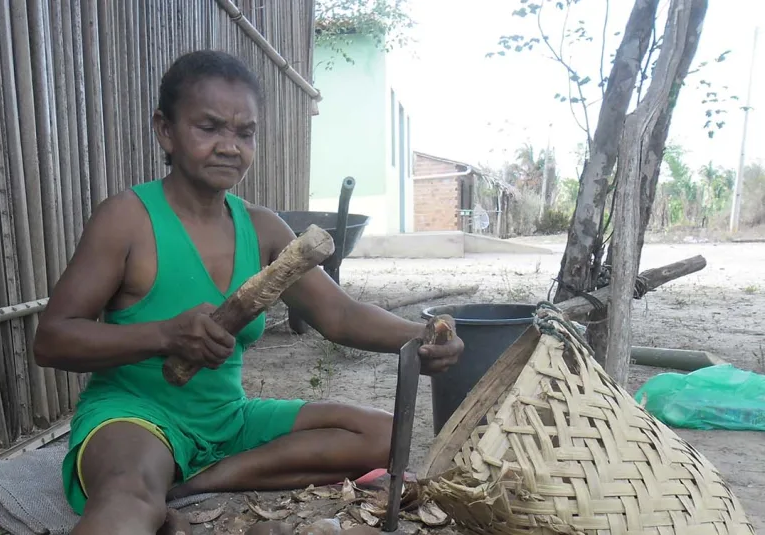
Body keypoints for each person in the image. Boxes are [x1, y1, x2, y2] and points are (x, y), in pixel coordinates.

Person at [33, 49, 465, 535]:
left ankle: (201, 484)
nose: (229, 146)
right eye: (209, 127)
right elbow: (52, 340)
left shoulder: (262, 228)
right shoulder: (126, 219)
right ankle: (153, 494)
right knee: (128, 497)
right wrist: (164, 336)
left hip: (229, 421)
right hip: (135, 415)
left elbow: (340, 315)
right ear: (165, 131)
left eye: (245, 132)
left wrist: (421, 335)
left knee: (384, 433)